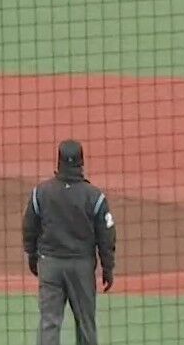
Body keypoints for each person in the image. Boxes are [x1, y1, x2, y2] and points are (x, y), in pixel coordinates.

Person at [23, 140, 117, 345]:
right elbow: (106, 235)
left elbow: (29, 226)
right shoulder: (94, 196)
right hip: (81, 267)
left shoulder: (41, 192)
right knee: (85, 323)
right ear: (81, 163)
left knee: (49, 322)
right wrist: (108, 267)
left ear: (59, 162)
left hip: (50, 264)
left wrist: (32, 255)